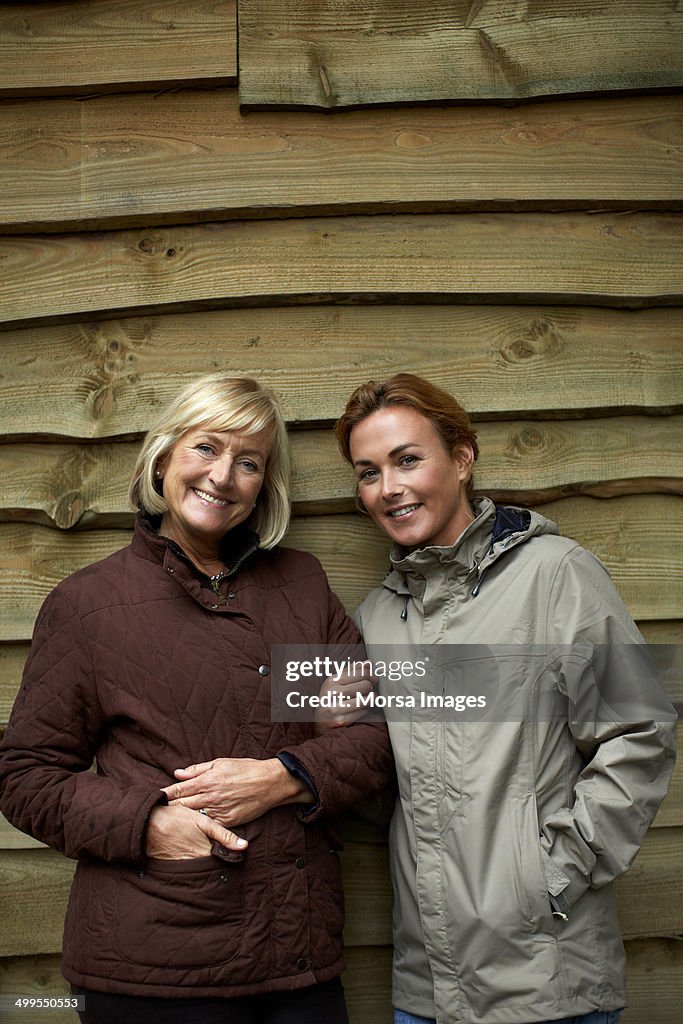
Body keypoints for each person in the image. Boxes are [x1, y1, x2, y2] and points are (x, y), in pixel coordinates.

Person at [0, 373, 393, 1024]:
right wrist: (147, 824)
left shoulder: (297, 587)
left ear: (265, 486)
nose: (223, 476)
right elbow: (27, 778)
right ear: (163, 457)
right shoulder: (89, 606)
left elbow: (371, 736)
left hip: (296, 955)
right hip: (151, 963)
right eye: (205, 448)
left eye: (248, 462)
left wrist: (284, 777)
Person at [332, 373, 677, 1024]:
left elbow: (640, 731)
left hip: (546, 980)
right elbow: (391, 802)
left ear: (461, 459)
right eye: (368, 471)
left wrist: (548, 879)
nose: (389, 488)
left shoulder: (554, 576)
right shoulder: (376, 618)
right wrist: (339, 735)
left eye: (407, 459)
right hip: (425, 992)